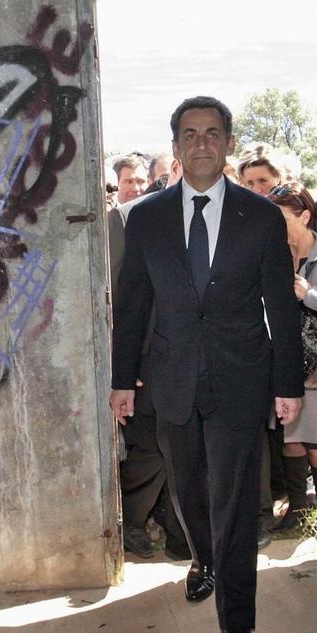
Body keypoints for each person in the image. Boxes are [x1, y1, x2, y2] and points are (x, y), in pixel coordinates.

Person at [110, 96, 304, 633]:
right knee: (190, 493)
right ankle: (205, 557)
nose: (201, 143)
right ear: (176, 146)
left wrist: (288, 384)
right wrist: (121, 380)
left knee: (236, 504)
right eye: (190, 134)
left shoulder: (261, 217)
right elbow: (133, 303)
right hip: (170, 380)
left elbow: (282, 307)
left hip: (240, 379)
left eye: (213, 133)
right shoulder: (145, 217)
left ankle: (238, 631)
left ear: (227, 144)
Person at [108, 158, 191, 562]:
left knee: (187, 450)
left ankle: (182, 537)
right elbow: (123, 297)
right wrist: (128, 366)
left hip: (194, 356)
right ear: (175, 165)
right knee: (149, 449)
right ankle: (132, 523)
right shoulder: (125, 219)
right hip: (146, 358)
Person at [268, 182, 317, 529]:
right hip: (283, 364)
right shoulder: (272, 257)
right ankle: (297, 511)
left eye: (281, 220)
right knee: (290, 441)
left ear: (305, 216)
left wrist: (310, 295)